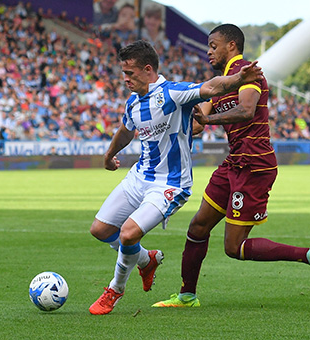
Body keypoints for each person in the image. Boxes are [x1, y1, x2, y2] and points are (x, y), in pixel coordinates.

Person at [153, 24, 310, 309]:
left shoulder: (249, 73)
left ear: (232, 46)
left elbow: (246, 110)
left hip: (255, 165)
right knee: (198, 226)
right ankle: (187, 296)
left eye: (214, 45)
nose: (208, 51)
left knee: (233, 247)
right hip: (234, 163)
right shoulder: (222, 81)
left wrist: (208, 120)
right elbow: (200, 124)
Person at [88, 39, 264, 315]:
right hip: (140, 177)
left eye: (130, 74)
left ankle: (115, 290)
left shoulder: (173, 93)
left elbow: (210, 87)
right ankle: (147, 261)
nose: (125, 79)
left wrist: (238, 78)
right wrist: (109, 156)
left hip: (170, 184)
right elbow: (125, 131)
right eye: (123, 74)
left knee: (127, 234)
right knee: (100, 230)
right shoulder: (133, 102)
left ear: (148, 70)